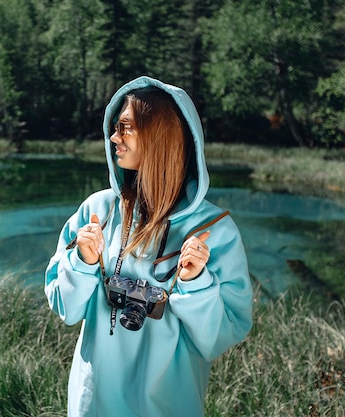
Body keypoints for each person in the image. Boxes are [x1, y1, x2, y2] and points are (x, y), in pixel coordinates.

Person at [44, 76, 253, 417]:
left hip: (168, 405)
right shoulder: (97, 211)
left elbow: (222, 336)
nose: (114, 137)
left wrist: (195, 283)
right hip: (93, 403)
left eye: (125, 127)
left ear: (159, 137)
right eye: (115, 127)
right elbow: (64, 308)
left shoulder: (214, 232)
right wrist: (82, 261)